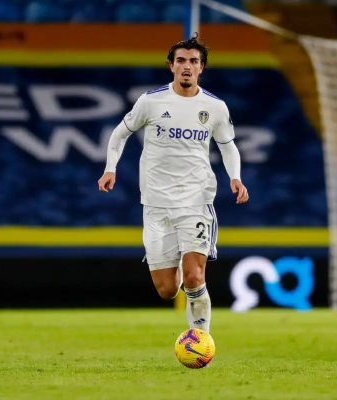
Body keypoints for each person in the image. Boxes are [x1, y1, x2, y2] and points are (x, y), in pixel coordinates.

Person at [98, 33, 248, 333]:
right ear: (171, 66)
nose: (187, 66)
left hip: (196, 200)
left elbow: (228, 146)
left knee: (194, 277)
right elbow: (120, 133)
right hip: (156, 203)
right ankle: (180, 261)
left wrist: (235, 177)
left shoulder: (215, 107)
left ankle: (200, 342)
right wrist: (110, 168)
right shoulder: (151, 102)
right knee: (167, 289)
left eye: (193, 61)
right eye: (181, 61)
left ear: (201, 67)